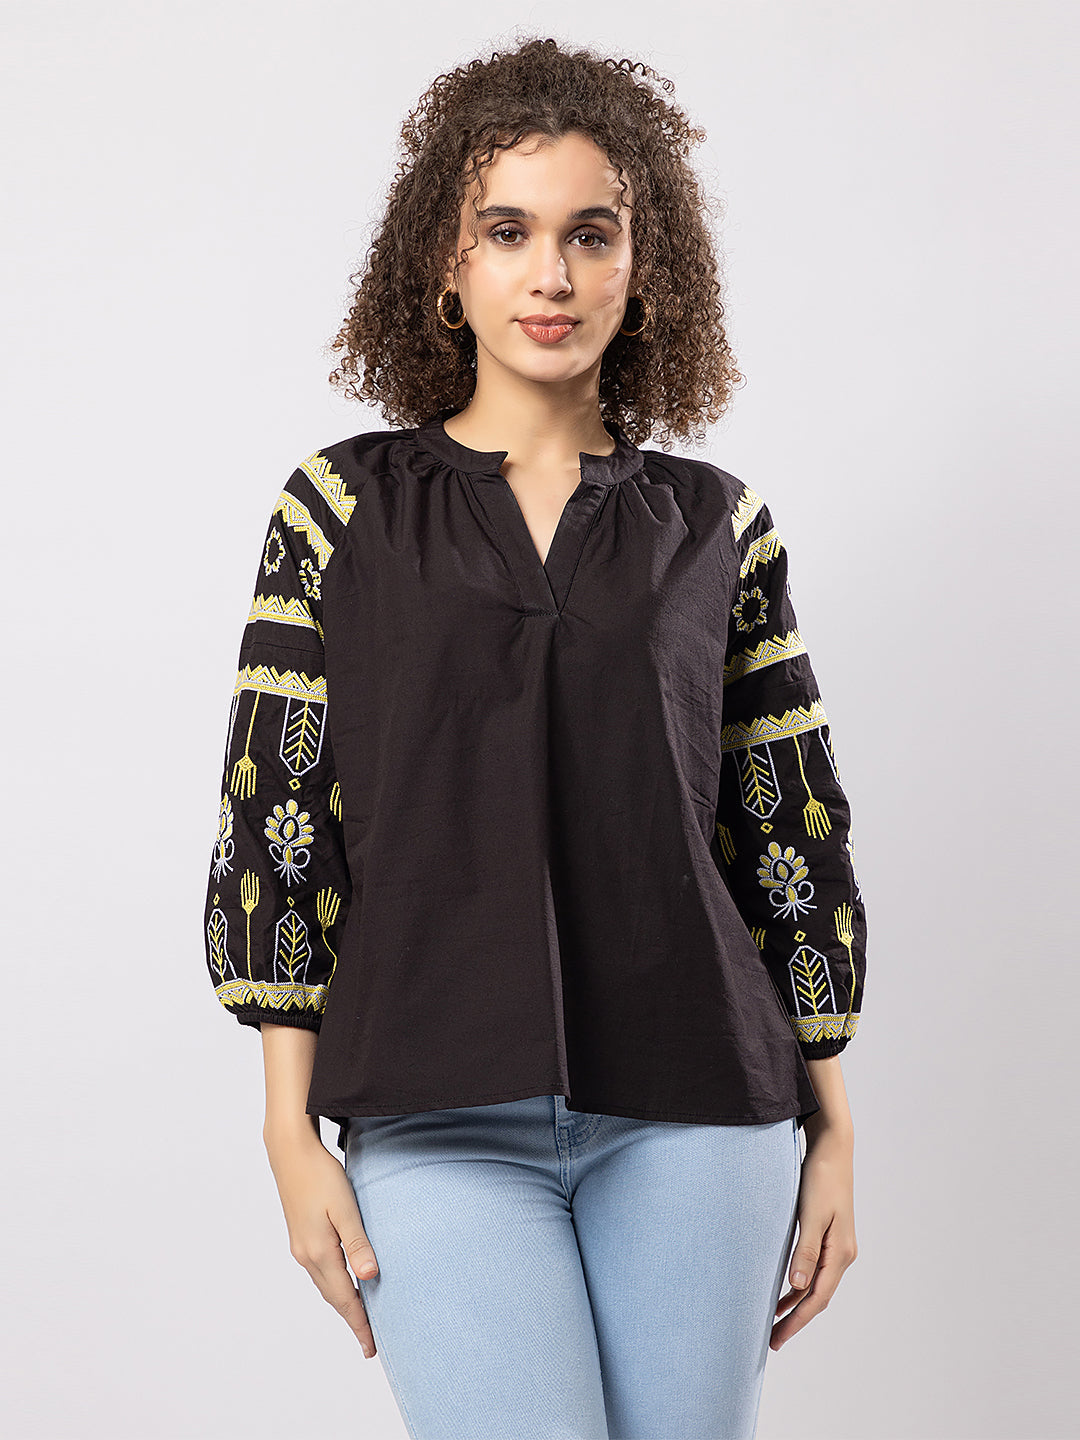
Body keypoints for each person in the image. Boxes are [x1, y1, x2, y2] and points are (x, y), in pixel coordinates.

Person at [202, 34, 866, 1440]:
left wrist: (835, 1129)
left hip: (702, 1112)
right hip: (431, 1116)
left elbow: (784, 835)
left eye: (589, 235)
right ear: (445, 265)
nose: (550, 275)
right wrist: (286, 1132)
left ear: (644, 266)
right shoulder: (339, 510)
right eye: (507, 232)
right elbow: (278, 829)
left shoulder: (718, 525)